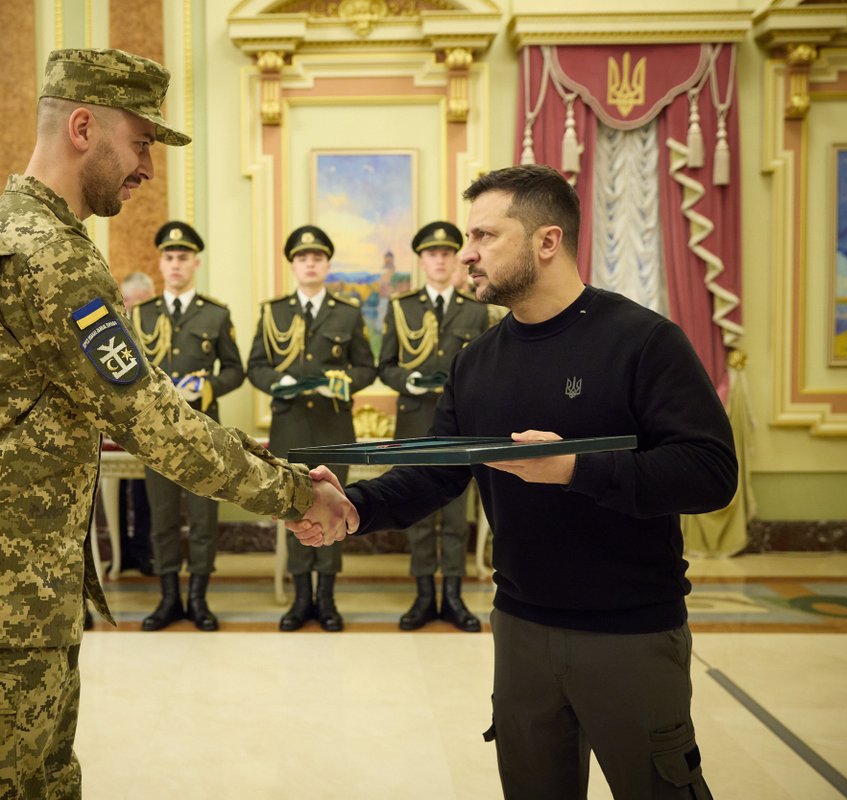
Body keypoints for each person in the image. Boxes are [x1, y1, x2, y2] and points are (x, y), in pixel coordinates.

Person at [0, 48, 350, 799]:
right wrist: (297, 493)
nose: (145, 168)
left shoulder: (11, 231)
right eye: (140, 143)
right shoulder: (47, 256)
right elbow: (157, 420)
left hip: (4, 601)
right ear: (82, 127)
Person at [294, 165, 736, 798]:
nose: (465, 254)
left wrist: (576, 468)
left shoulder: (643, 341)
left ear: (546, 241)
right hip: (520, 627)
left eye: (484, 236)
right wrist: (353, 507)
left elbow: (710, 472)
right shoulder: (477, 363)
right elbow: (436, 469)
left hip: (630, 632)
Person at [247, 224, 376, 632]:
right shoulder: (274, 312)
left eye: (317, 258)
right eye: (303, 258)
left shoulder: (348, 313)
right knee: (295, 510)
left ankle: (328, 598)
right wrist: (276, 382)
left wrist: (344, 381)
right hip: (291, 429)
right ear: (293, 265)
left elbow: (366, 367)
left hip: (334, 427)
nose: (310, 263)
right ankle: (301, 596)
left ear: (326, 265)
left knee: (337, 509)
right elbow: (257, 365)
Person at [130, 221, 244, 631]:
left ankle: (198, 598)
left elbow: (236, 370)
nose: (175, 265)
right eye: (169, 257)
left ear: (195, 263)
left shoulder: (215, 314)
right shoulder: (141, 314)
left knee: (202, 516)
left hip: (203, 434)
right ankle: (167, 599)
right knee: (161, 516)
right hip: (157, 435)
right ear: (160, 263)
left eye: (183, 258)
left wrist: (207, 386)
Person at [378, 221, 489, 632]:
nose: (440, 259)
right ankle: (424, 595)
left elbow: (486, 367)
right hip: (414, 421)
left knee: (457, 516)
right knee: (418, 512)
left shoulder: (476, 310)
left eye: (446, 253)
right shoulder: (402, 308)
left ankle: (455, 597)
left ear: (455, 259)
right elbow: (385, 365)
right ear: (422, 261)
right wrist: (404, 380)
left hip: (459, 426)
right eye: (431, 254)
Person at [113, 270, 155, 575]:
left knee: (145, 495)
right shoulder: (111, 327)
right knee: (115, 492)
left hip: (148, 425)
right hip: (114, 423)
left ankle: (142, 549)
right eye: (128, 300)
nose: (131, 308)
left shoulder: (157, 327)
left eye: (139, 302)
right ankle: (120, 553)